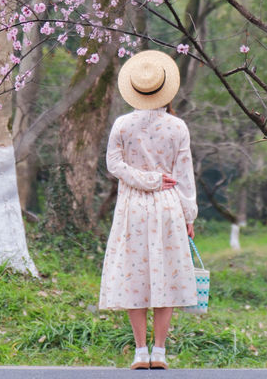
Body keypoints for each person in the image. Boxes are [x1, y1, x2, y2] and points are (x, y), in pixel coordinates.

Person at [99, 49, 198, 370]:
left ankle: (140, 351)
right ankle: (160, 351)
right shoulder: (177, 127)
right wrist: (189, 216)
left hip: (132, 207)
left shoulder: (122, 125)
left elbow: (113, 164)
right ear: (165, 87)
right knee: (165, 276)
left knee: (134, 276)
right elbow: (184, 177)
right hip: (168, 207)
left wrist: (144, 179)